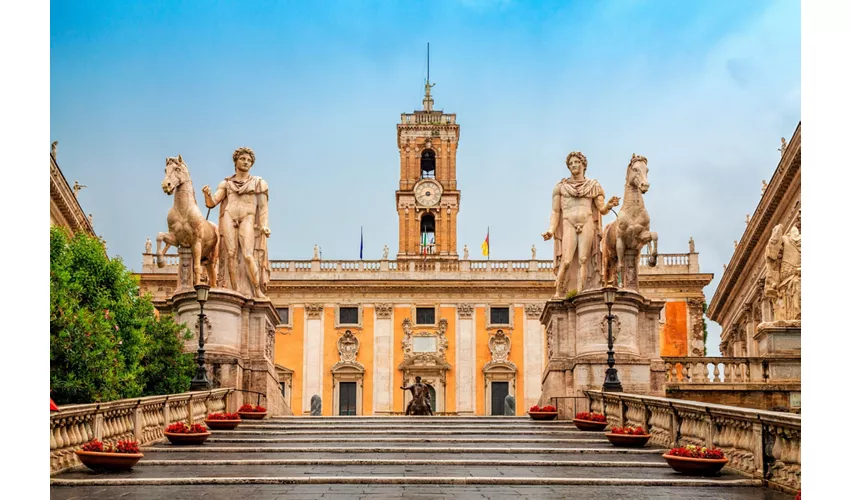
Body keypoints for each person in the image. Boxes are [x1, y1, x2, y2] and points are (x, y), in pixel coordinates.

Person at [542, 151, 619, 297]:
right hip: (568, 223)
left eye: (576, 162)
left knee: (584, 259)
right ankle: (559, 292)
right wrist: (551, 230)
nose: (573, 165)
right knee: (566, 260)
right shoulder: (561, 187)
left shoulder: (593, 186)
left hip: (587, 222)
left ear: (583, 164)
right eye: (570, 163)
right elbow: (555, 212)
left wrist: (609, 205)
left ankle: (581, 293)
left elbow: (601, 209)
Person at [202, 147, 271, 299]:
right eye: (243, 159)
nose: (246, 162)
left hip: (248, 217)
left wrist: (264, 224)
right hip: (229, 215)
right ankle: (235, 291)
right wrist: (207, 195)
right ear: (236, 161)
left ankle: (256, 289)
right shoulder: (226, 184)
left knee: (247, 254)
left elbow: (263, 208)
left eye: (249, 160)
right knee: (230, 254)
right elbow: (212, 202)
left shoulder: (259, 183)